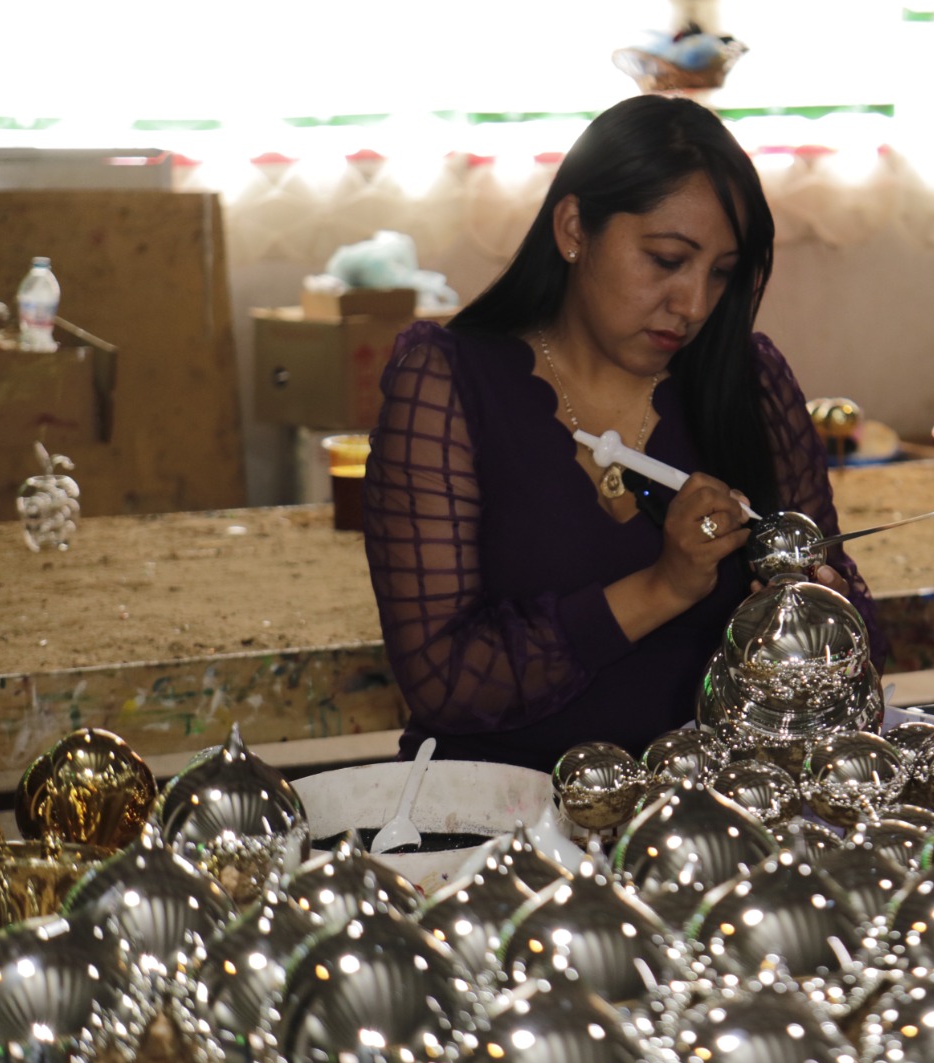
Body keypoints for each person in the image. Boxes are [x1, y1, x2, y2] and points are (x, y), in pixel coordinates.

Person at [361, 94, 887, 773]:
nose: (694, 304)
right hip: (499, 815)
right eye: (668, 260)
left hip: (712, 815)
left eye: (721, 274)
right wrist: (663, 588)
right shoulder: (449, 383)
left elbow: (862, 638)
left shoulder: (747, 384)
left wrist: (818, 621)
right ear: (575, 227)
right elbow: (444, 680)